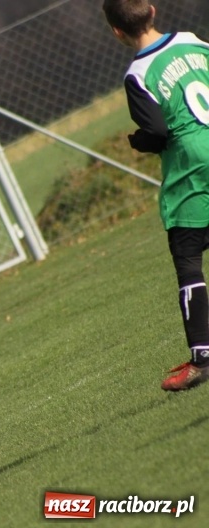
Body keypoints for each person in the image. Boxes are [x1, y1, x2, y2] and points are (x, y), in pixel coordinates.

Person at [103, 0, 209, 391]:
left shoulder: (138, 74)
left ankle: (202, 357)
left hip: (192, 165)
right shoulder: (192, 40)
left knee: (188, 261)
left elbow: (160, 133)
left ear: (116, 31)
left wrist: (138, 141)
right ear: (151, 9)